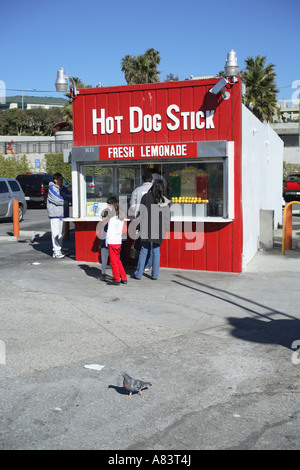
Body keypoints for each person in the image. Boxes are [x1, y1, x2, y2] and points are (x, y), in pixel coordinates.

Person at [134, 180, 170, 280]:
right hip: (159, 228)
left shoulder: (146, 197)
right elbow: (167, 217)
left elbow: (140, 213)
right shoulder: (164, 200)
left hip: (146, 227)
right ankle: (155, 275)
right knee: (156, 251)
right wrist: (166, 228)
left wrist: (138, 227)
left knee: (144, 250)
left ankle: (139, 273)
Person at [47, 173, 72, 259]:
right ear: (55, 180)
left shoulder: (63, 188)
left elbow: (70, 196)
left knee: (61, 233)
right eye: (60, 179)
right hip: (55, 214)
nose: (62, 181)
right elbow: (57, 200)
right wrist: (65, 200)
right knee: (55, 233)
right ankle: (56, 251)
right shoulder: (52, 188)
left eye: (62, 179)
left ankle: (59, 249)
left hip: (62, 214)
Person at [106, 197, 127, 286]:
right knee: (118, 260)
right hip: (118, 241)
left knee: (113, 262)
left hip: (112, 241)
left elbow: (109, 232)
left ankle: (116, 279)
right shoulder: (121, 217)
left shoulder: (112, 219)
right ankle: (124, 277)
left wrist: (106, 242)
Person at [99, 208, 109, 281]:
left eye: (103, 217)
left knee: (104, 259)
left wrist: (101, 244)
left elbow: (102, 236)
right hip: (112, 243)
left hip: (105, 244)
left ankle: (103, 274)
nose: (102, 218)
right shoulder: (111, 224)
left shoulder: (103, 225)